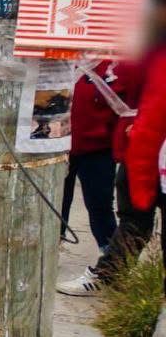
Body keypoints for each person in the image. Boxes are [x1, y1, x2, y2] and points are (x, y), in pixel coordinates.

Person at [59, 0, 166, 296]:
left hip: (123, 149)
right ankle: (108, 274)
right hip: (132, 151)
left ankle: (110, 272)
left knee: (109, 209)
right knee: (134, 218)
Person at [60, 60, 122, 251]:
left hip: (98, 147)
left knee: (99, 205)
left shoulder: (114, 64)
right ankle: (46, 255)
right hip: (57, 145)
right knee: (54, 203)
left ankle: (112, 264)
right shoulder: (61, 57)